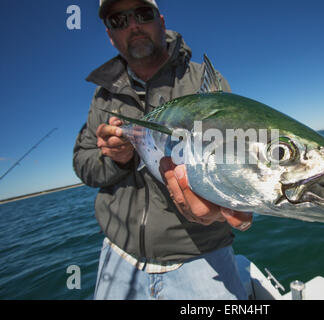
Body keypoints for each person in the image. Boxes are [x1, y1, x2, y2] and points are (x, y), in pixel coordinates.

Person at [73, 0, 253, 300]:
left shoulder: (204, 83)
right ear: (109, 34)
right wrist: (115, 159)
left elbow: (235, 157)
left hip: (201, 258)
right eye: (119, 20)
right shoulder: (103, 96)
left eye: (143, 14)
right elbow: (83, 163)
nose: (133, 25)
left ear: (161, 20)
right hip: (118, 256)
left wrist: (225, 207)